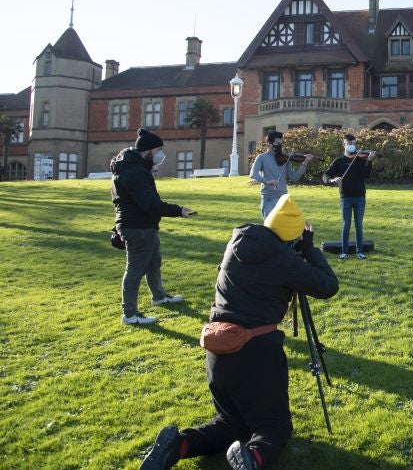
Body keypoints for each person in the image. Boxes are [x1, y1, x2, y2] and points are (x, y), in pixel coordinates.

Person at [140, 193, 339, 470]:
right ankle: (253, 459)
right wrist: (310, 250)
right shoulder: (284, 260)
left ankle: (179, 445)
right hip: (256, 351)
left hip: (217, 346)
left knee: (231, 425)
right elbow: (328, 286)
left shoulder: (237, 243)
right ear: (292, 237)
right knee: (275, 427)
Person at [111, 128, 195, 325]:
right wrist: (178, 210)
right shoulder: (134, 171)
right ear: (148, 151)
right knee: (135, 269)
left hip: (144, 225)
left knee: (153, 262)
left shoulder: (135, 167)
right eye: (158, 150)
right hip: (137, 227)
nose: (160, 155)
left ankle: (159, 296)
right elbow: (149, 202)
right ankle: (130, 314)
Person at [322, 134, 378, 260]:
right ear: (344, 144)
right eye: (349, 143)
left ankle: (359, 251)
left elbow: (366, 174)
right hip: (345, 196)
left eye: (354, 143)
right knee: (346, 224)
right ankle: (344, 251)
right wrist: (332, 180)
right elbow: (325, 175)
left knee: (358, 224)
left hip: (359, 196)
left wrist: (369, 160)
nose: (352, 146)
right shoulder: (339, 161)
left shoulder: (360, 159)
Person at [250, 130, 312, 219]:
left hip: (283, 197)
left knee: (283, 228)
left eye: (281, 143)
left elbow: (294, 177)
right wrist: (267, 181)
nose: (280, 146)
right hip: (268, 197)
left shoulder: (285, 158)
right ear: (269, 144)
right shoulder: (261, 158)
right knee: (270, 226)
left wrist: (304, 163)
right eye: (277, 143)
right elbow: (253, 174)